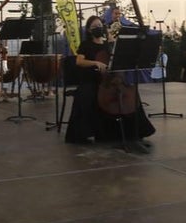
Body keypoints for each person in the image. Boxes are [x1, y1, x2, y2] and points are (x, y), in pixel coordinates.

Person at [64, 15, 156, 146]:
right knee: (88, 95)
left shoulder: (107, 44)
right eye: (95, 26)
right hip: (92, 79)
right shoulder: (86, 45)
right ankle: (90, 133)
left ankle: (134, 131)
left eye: (100, 26)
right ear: (89, 30)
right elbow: (79, 61)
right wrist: (95, 63)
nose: (98, 28)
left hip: (109, 79)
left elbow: (116, 60)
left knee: (132, 95)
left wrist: (112, 43)